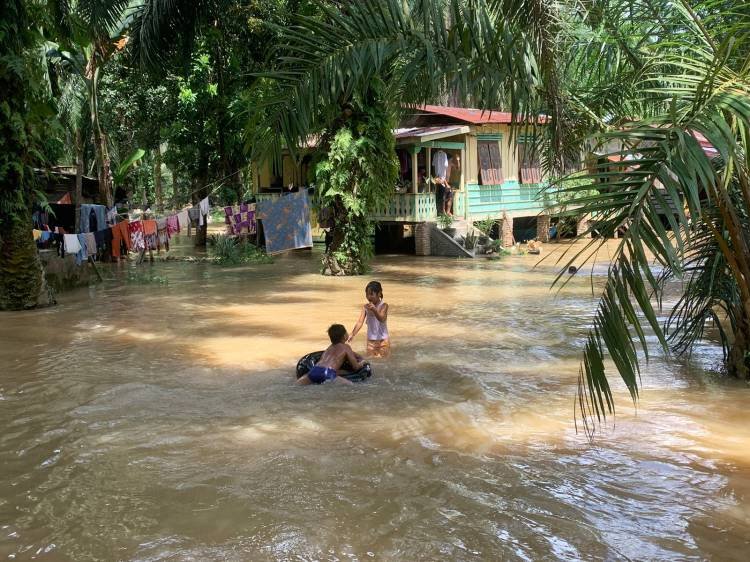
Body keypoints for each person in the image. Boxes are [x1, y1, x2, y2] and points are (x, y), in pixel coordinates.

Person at [297, 324, 366, 385]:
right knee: (351, 385)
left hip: (314, 371)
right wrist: (362, 362)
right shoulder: (346, 347)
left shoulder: (329, 348)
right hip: (328, 373)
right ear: (345, 336)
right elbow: (356, 367)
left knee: (298, 384)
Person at [348, 281, 390, 357]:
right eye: (367, 294)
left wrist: (374, 310)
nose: (368, 297)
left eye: (371, 294)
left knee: (383, 362)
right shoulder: (365, 307)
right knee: (372, 361)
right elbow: (360, 322)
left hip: (383, 341)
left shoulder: (384, 305)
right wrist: (352, 334)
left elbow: (382, 319)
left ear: (379, 294)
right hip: (371, 341)